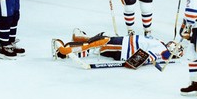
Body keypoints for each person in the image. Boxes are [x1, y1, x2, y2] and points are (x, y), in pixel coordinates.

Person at [52, 28, 184, 64]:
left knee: (100, 44)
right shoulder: (162, 46)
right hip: (124, 46)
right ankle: (66, 50)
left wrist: (132, 62)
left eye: (175, 47)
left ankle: (65, 50)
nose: (173, 44)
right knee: (98, 45)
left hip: (124, 47)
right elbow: (148, 55)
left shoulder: (162, 48)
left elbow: (148, 56)